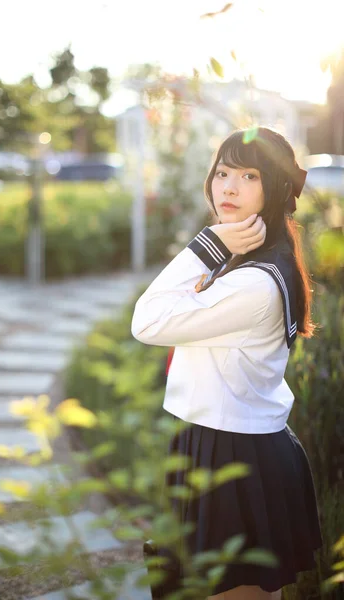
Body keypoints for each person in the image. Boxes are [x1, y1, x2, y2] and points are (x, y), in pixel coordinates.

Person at [131, 126, 324, 600]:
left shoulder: (255, 281)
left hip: (235, 456)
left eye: (249, 175)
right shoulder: (248, 260)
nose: (229, 188)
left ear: (276, 187)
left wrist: (206, 244)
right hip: (212, 442)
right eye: (222, 172)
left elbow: (147, 322)